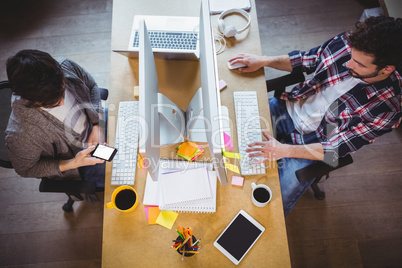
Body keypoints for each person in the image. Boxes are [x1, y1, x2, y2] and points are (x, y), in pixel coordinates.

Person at [228, 16, 402, 216]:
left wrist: (283, 150)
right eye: (351, 56)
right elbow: (306, 60)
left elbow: (334, 150)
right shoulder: (348, 43)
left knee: (271, 208)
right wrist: (264, 60)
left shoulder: (388, 109)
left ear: (386, 69)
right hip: (289, 109)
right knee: (229, 136)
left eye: (360, 65)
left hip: (318, 143)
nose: (348, 64)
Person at [5, 49, 107, 188]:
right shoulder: (21, 133)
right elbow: (25, 169)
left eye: (63, 90)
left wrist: (98, 125)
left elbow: (91, 85)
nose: (62, 103)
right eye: (52, 103)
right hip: (79, 163)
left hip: (95, 124)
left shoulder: (64, 66)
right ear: (30, 100)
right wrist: (73, 163)